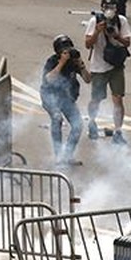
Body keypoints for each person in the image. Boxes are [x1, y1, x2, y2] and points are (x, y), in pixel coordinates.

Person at [84, 0, 131, 145]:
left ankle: (118, 130)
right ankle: (92, 122)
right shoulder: (95, 21)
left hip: (116, 65)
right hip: (99, 66)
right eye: (107, 8)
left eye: (112, 8)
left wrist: (116, 36)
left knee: (118, 98)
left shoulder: (121, 21)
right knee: (97, 99)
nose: (109, 11)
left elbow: (127, 42)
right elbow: (87, 44)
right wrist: (98, 31)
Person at [40, 34, 90, 165]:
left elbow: (88, 79)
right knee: (57, 118)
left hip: (65, 97)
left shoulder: (73, 62)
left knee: (78, 125)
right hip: (49, 95)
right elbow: (49, 79)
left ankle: (67, 155)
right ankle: (58, 156)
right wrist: (61, 63)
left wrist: (81, 64)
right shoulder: (52, 61)